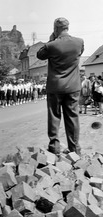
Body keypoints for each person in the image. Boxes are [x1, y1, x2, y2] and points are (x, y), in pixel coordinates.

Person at [37, 17, 84, 155]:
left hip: (55, 86)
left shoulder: (51, 45)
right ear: (68, 27)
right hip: (73, 86)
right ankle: (74, 149)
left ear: (55, 29)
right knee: (73, 117)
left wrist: (52, 40)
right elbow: (79, 53)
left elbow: (40, 55)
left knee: (54, 116)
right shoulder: (79, 42)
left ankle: (54, 147)